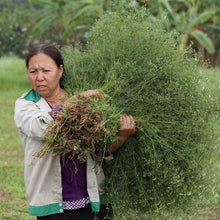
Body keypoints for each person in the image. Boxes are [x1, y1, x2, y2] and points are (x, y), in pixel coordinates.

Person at [14, 44, 139, 220]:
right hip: (53, 206)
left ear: (60, 70)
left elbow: (100, 149)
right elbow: (43, 129)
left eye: (46, 71)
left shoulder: (84, 97)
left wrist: (122, 136)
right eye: (33, 71)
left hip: (93, 199)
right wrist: (76, 100)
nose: (39, 77)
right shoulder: (26, 105)